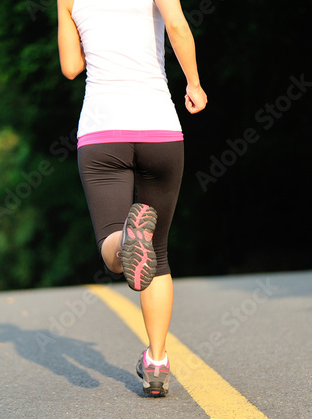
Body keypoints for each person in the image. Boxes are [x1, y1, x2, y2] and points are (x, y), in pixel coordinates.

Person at [57, 0, 207, 396]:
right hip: (158, 126)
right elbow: (175, 23)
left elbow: (71, 67)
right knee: (157, 251)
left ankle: (127, 240)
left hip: (103, 132)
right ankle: (156, 361)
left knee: (113, 239)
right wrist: (193, 82)